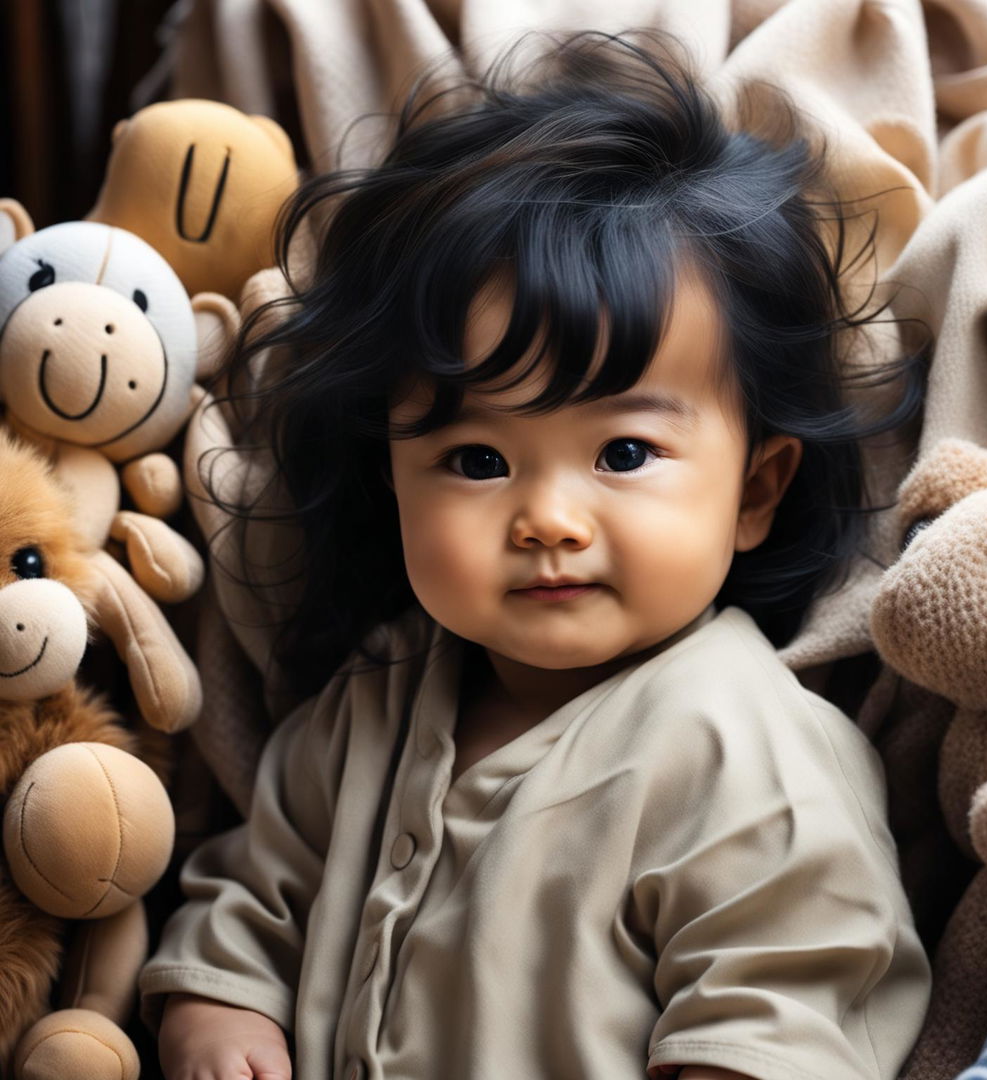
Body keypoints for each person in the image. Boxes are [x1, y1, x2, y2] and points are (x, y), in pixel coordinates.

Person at [141, 31, 932, 1080]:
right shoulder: (368, 712)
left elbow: (785, 1005)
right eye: (475, 459)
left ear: (754, 490)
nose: (547, 518)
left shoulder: (747, 751)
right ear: (391, 471)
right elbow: (251, 898)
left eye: (624, 452)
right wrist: (219, 1011)